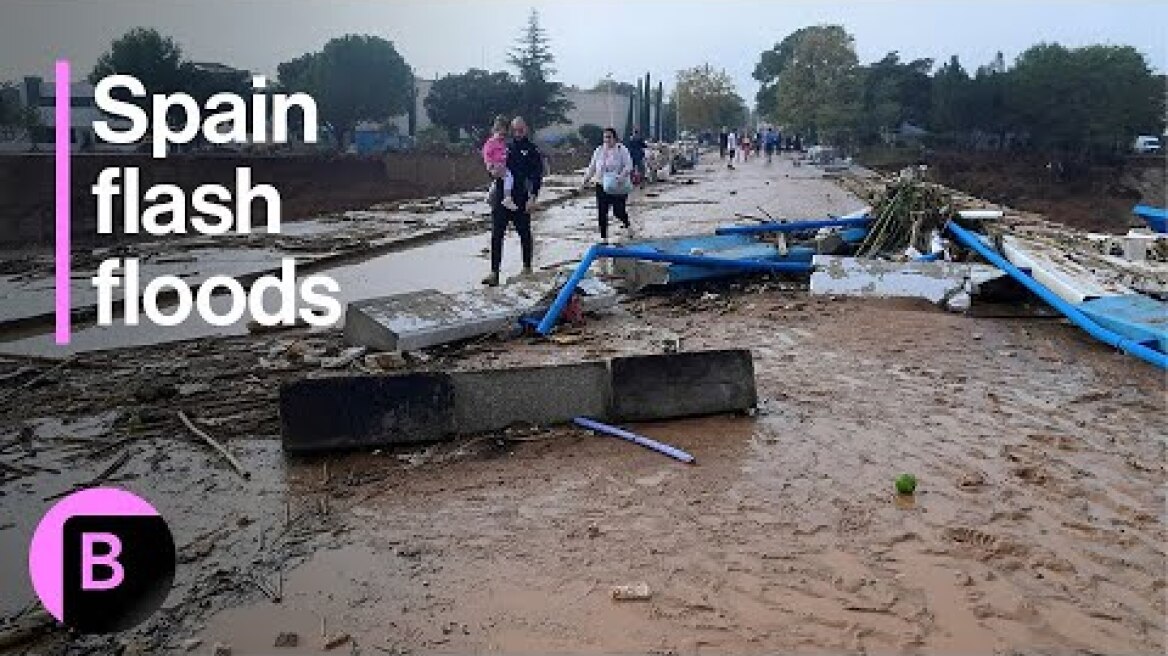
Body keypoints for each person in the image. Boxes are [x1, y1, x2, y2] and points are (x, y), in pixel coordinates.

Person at [482, 117, 543, 287]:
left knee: (524, 233)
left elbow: (536, 176)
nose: (517, 134)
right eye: (514, 130)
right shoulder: (504, 145)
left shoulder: (532, 150)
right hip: (501, 197)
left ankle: (527, 267)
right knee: (496, 235)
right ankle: (494, 272)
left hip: (521, 198)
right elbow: (491, 162)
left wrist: (533, 197)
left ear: (526, 129)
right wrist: (491, 171)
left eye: (520, 130)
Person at [581, 127, 633, 242]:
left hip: (617, 185)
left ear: (615, 138)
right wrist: (585, 181)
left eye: (609, 137)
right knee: (602, 212)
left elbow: (629, 165)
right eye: (605, 137)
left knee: (618, 211)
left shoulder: (621, 149)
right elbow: (592, 167)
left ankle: (627, 225)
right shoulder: (599, 151)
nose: (607, 140)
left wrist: (621, 176)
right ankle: (604, 238)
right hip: (601, 185)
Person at [481, 115, 517, 211]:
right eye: (500, 133)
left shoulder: (503, 142)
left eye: (504, 134)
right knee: (509, 177)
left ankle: (490, 197)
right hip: (496, 165)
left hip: (501, 165)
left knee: (500, 180)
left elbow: (504, 153)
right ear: (495, 130)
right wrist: (490, 165)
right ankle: (507, 197)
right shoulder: (491, 142)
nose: (502, 136)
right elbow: (486, 154)